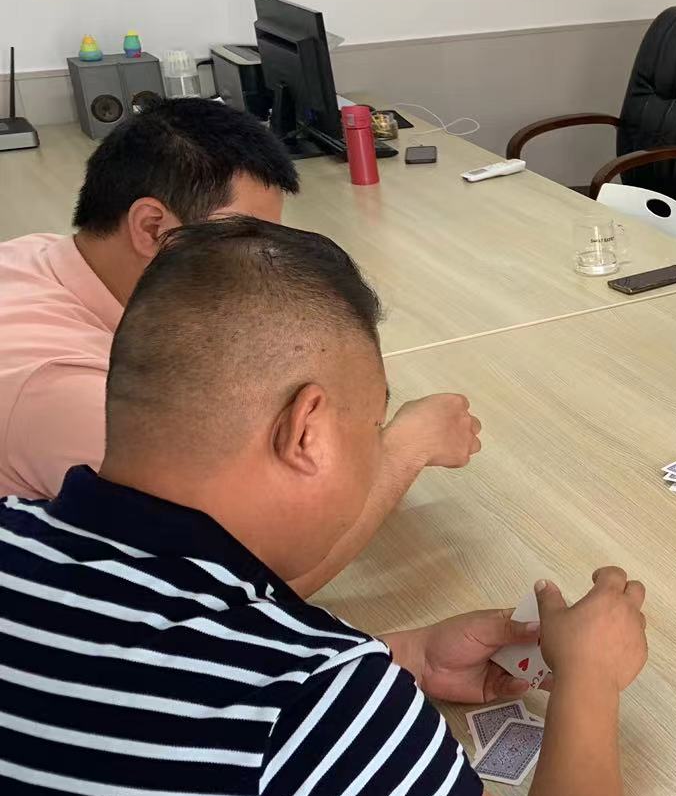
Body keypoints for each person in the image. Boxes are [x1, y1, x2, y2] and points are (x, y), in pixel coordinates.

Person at [0, 218, 649, 796]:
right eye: (373, 427)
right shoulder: (305, 701)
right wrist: (590, 680)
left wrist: (402, 655)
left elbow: (146, 685)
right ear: (306, 430)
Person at [0, 98, 480, 594]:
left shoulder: (47, 255)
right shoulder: (64, 391)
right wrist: (405, 449)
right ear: (150, 227)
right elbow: (228, 585)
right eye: (235, 237)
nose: (256, 258)